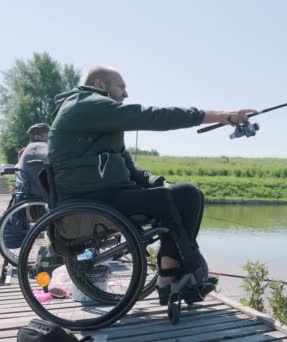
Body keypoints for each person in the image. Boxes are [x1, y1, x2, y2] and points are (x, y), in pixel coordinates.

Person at [48, 65, 254, 305]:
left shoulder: (98, 120)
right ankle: (181, 273)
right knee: (186, 195)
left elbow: (132, 170)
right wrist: (220, 116)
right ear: (101, 85)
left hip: (105, 194)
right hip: (93, 200)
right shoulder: (87, 104)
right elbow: (152, 115)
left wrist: (164, 184)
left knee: (183, 194)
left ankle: (171, 277)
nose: (126, 94)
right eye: (121, 87)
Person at [15, 123, 50, 198]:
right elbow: (52, 157)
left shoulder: (29, 148)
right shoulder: (38, 146)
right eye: (47, 134)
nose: (50, 137)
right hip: (33, 191)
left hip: (25, 189)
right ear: (37, 136)